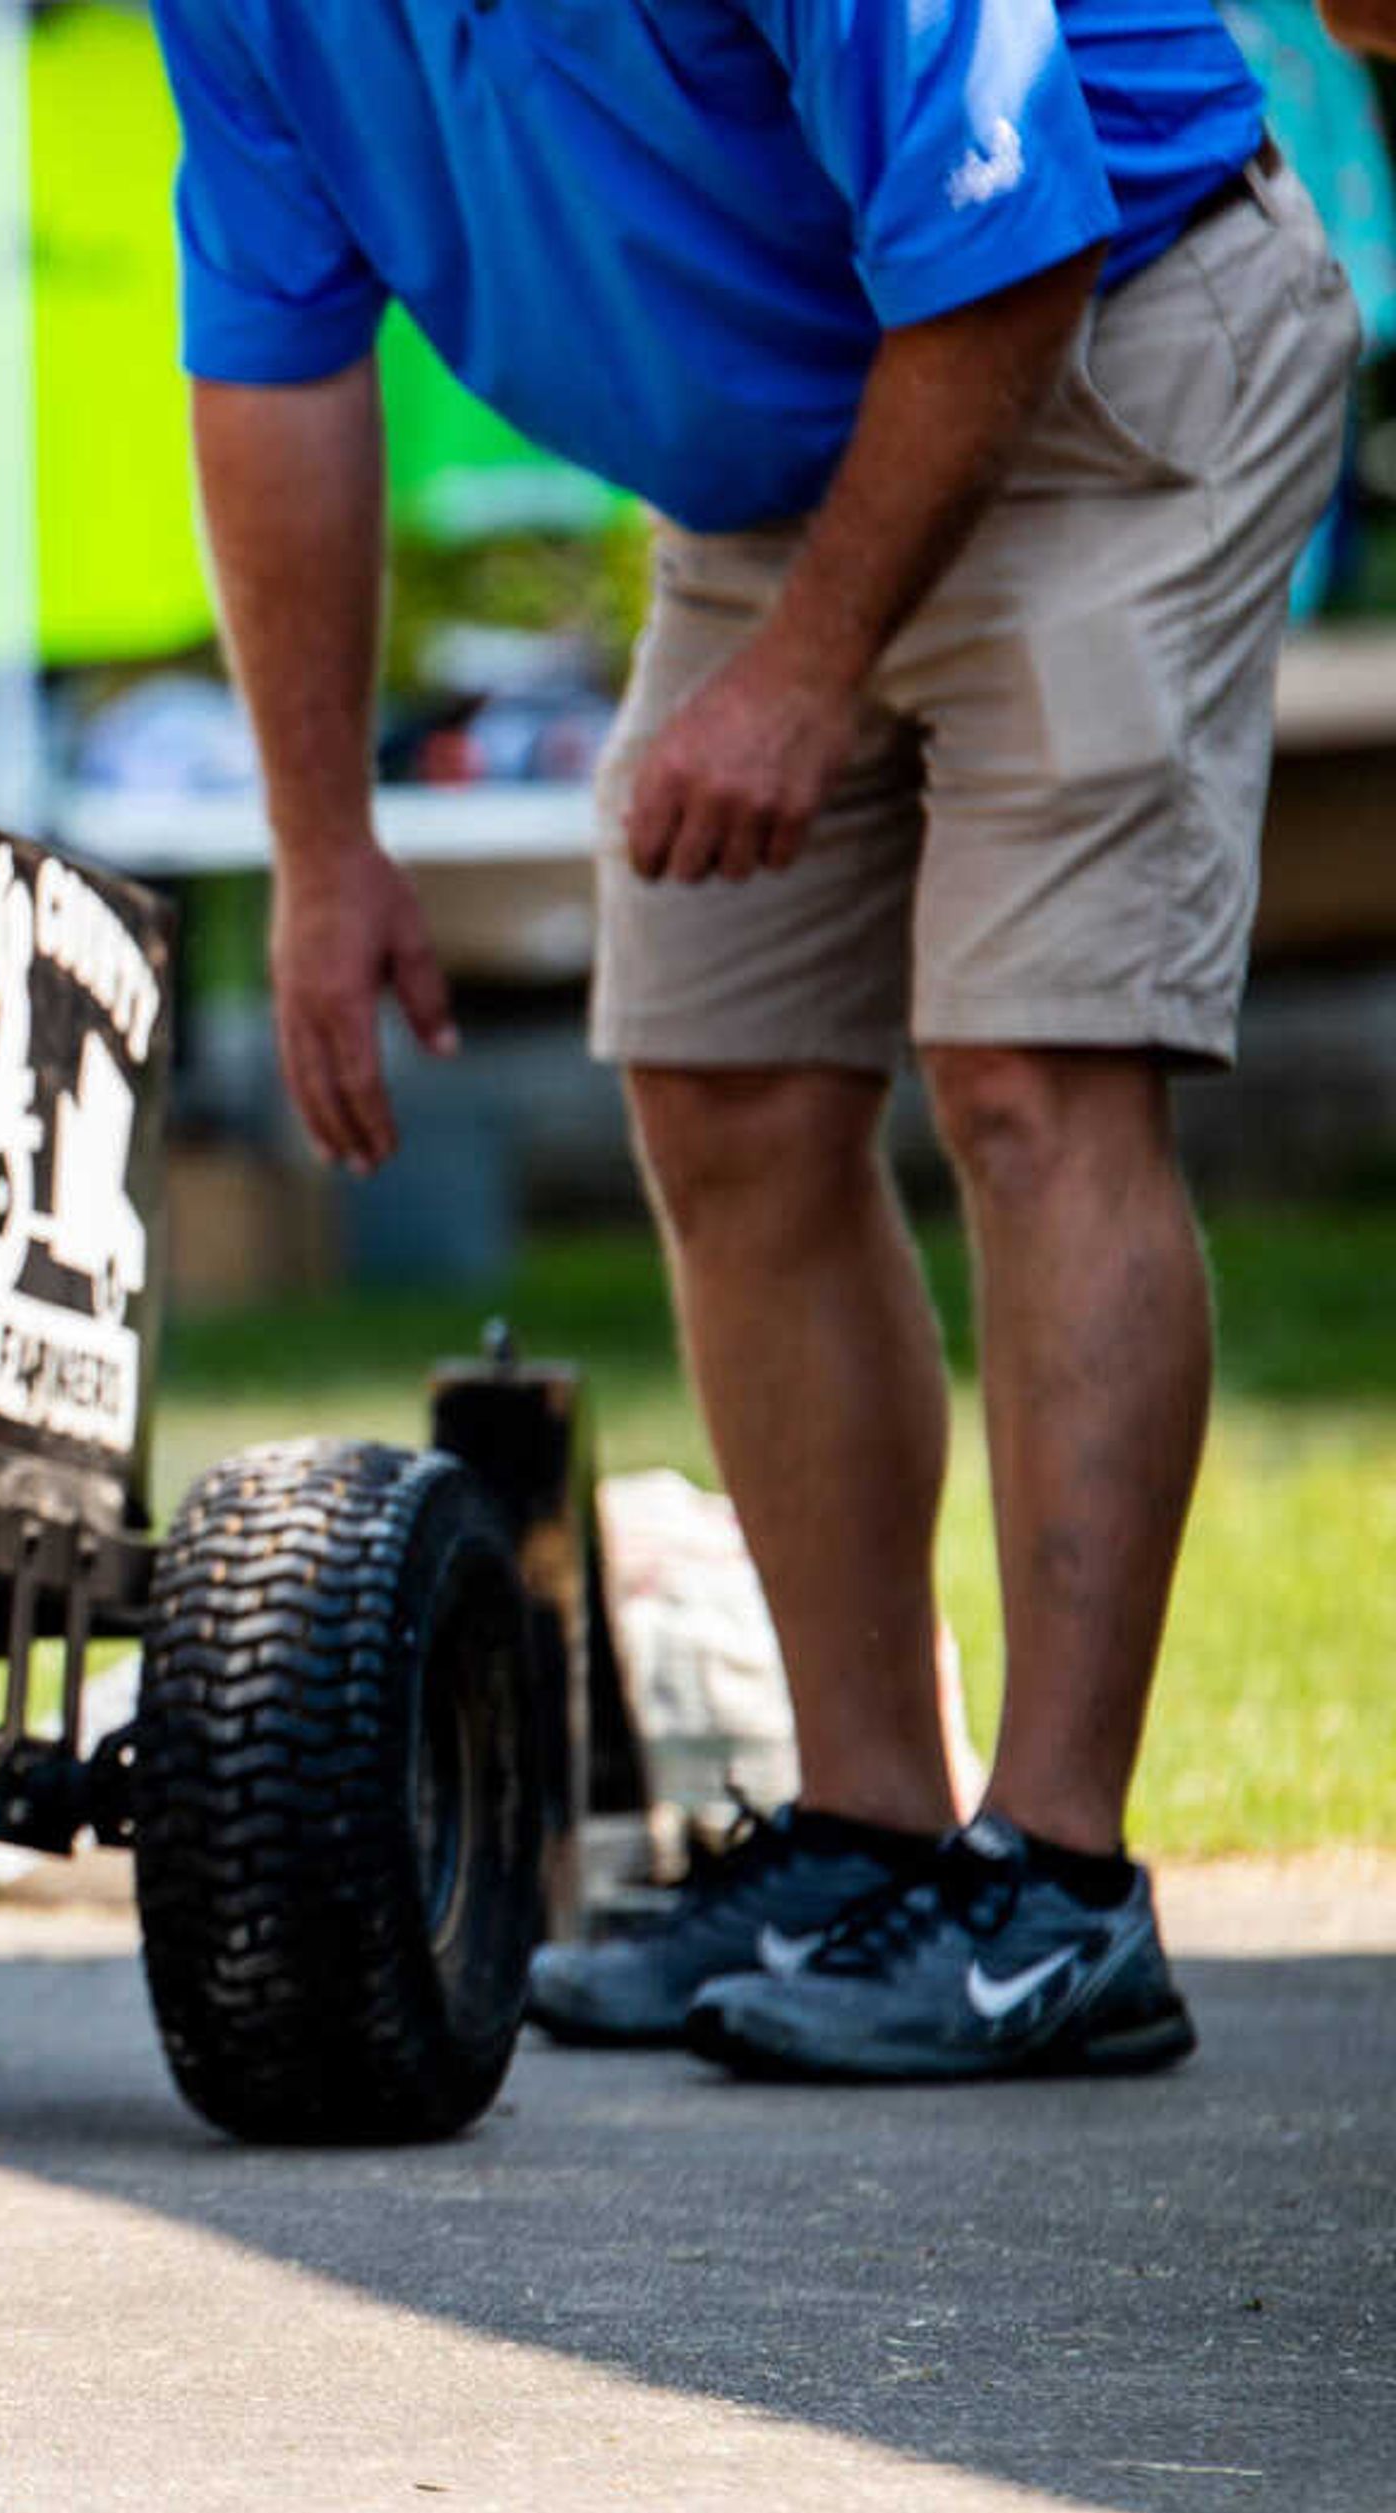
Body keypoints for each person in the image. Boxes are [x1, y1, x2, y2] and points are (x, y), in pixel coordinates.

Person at [158, 3, 1358, 2079]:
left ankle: (1058, 1889)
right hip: (799, 451)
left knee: (1031, 1065)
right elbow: (276, 356)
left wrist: (810, 680)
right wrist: (323, 842)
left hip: (1107, 339)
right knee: (721, 1096)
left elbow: (1012, 228)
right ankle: (867, 1821)